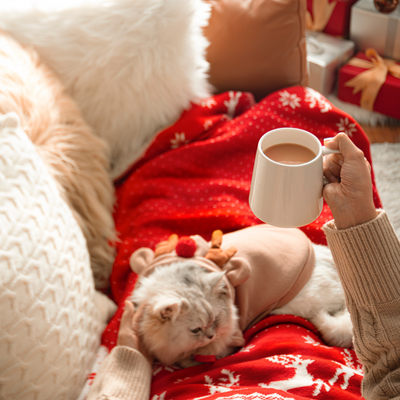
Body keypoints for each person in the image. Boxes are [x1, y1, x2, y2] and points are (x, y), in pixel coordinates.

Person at [87, 133, 400, 400]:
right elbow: (392, 363)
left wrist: (129, 365)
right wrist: (357, 211)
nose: (209, 335)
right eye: (200, 331)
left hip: (302, 273)